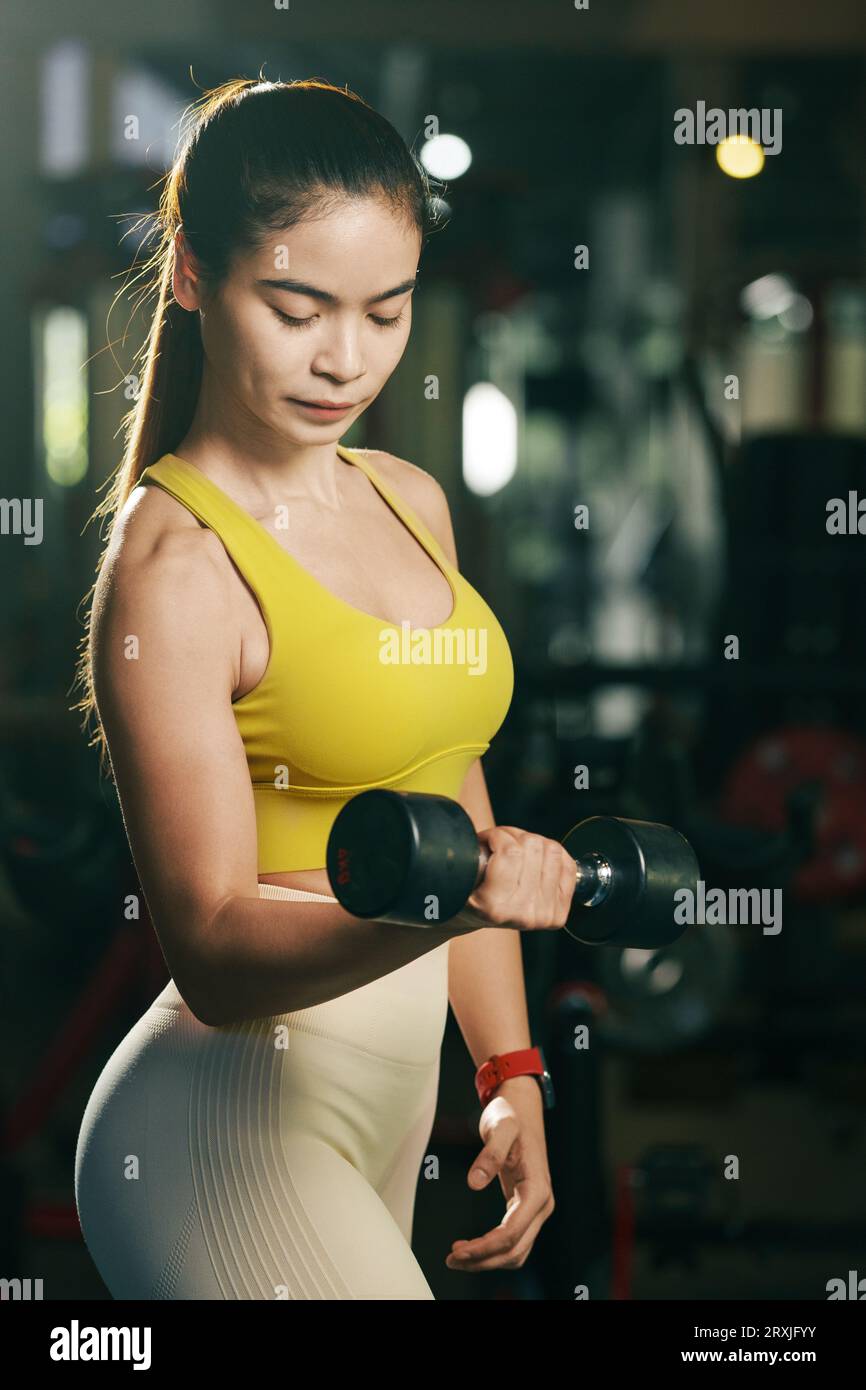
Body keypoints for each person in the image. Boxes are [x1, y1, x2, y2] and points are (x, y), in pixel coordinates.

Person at [71, 76, 577, 1300]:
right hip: (222, 1121)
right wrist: (457, 907)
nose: (344, 358)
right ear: (192, 275)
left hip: (383, 1110)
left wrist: (508, 1067)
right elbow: (213, 952)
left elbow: (448, 784)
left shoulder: (409, 500)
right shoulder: (175, 563)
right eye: (295, 306)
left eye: (386, 311)